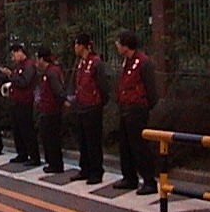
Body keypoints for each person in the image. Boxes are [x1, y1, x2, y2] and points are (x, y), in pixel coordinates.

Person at [113, 30, 159, 195]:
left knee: (139, 146)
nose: (117, 47)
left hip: (137, 109)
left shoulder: (143, 62)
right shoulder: (125, 61)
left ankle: (149, 180)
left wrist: (147, 106)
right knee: (125, 146)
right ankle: (129, 177)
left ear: (126, 45)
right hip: (125, 108)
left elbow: (151, 89)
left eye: (119, 43)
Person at [67, 33, 109, 185]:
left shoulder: (96, 63)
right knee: (83, 140)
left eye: (77, 45)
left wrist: (99, 102)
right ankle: (84, 168)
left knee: (93, 141)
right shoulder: (80, 63)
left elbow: (103, 86)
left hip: (92, 107)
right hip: (81, 106)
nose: (75, 48)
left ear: (83, 46)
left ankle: (96, 171)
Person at [1, 43, 40, 166]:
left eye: (14, 54)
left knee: (26, 129)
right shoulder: (18, 66)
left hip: (24, 102)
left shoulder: (28, 66)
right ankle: (22, 153)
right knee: (17, 129)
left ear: (20, 52)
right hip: (15, 101)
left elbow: (24, 82)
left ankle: (34, 156)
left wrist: (11, 75)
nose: (13, 57)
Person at [36, 47, 66, 173]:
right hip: (49, 109)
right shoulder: (51, 71)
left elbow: (58, 91)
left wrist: (61, 102)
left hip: (51, 110)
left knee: (51, 138)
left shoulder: (51, 72)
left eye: (38, 59)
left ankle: (55, 164)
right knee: (49, 138)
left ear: (42, 59)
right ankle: (53, 163)